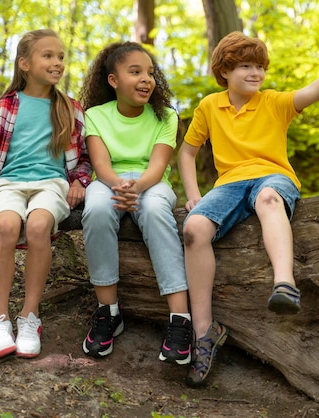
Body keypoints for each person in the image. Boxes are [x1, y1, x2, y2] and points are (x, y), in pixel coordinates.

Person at [178, 31, 319, 386]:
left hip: (273, 176)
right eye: (246, 66)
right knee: (193, 229)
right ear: (224, 71)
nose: (256, 73)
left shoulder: (274, 102)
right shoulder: (209, 106)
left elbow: (314, 90)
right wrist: (193, 193)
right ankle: (204, 331)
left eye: (260, 67)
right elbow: (187, 151)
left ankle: (284, 284)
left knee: (269, 199)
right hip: (228, 184)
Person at [0, 29, 91, 360]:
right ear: (24, 63)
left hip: (51, 184)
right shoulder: (5, 106)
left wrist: (80, 181)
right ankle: (0, 320)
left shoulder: (69, 107)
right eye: (48, 55)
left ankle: (29, 317)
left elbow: (83, 158)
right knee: (5, 227)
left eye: (61, 56)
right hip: (8, 183)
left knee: (38, 227)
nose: (57, 62)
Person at [78, 42, 192, 364]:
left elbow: (158, 167)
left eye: (150, 73)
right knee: (97, 208)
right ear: (113, 80)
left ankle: (180, 319)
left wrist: (136, 188)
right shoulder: (95, 116)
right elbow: (101, 164)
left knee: (155, 210)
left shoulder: (166, 116)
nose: (146, 79)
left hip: (152, 183)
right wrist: (119, 186)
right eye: (136, 72)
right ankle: (108, 312)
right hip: (109, 181)